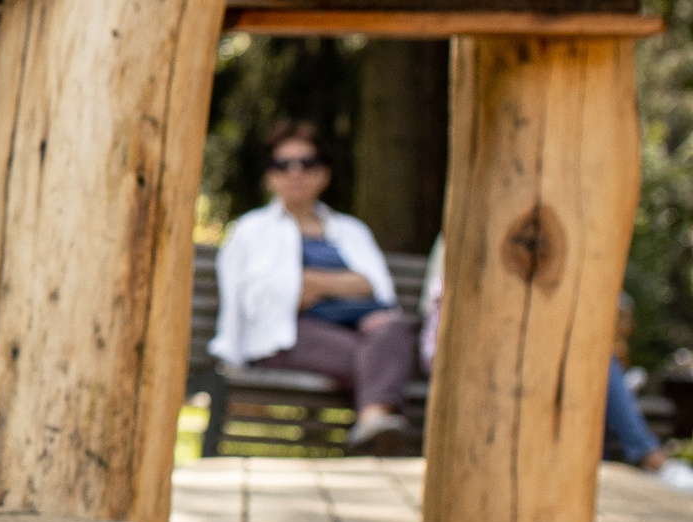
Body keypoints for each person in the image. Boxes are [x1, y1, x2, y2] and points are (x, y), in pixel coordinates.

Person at [422, 251, 693, 490]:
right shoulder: (474, 247)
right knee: (595, 363)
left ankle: (625, 459)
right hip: (472, 357)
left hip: (532, 353)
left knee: (591, 362)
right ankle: (648, 456)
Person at [211, 123, 407, 451]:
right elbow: (248, 300)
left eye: (308, 163)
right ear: (269, 175)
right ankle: (377, 425)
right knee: (380, 357)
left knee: (393, 328)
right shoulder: (251, 231)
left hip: (361, 329)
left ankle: (372, 422)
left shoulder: (351, 230)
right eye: (282, 165)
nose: (296, 173)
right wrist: (231, 356)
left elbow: (377, 289)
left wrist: (312, 282)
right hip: (286, 335)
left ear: (325, 172)